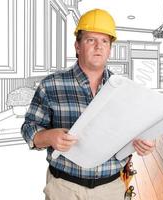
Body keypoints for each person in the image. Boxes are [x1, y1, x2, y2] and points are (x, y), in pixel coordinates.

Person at [21, 9, 155, 200]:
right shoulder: (51, 85)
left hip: (111, 188)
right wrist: (49, 137)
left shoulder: (124, 90)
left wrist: (143, 142)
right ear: (77, 46)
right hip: (64, 188)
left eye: (104, 41)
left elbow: (135, 131)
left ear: (110, 49)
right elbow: (29, 128)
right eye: (91, 40)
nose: (98, 47)